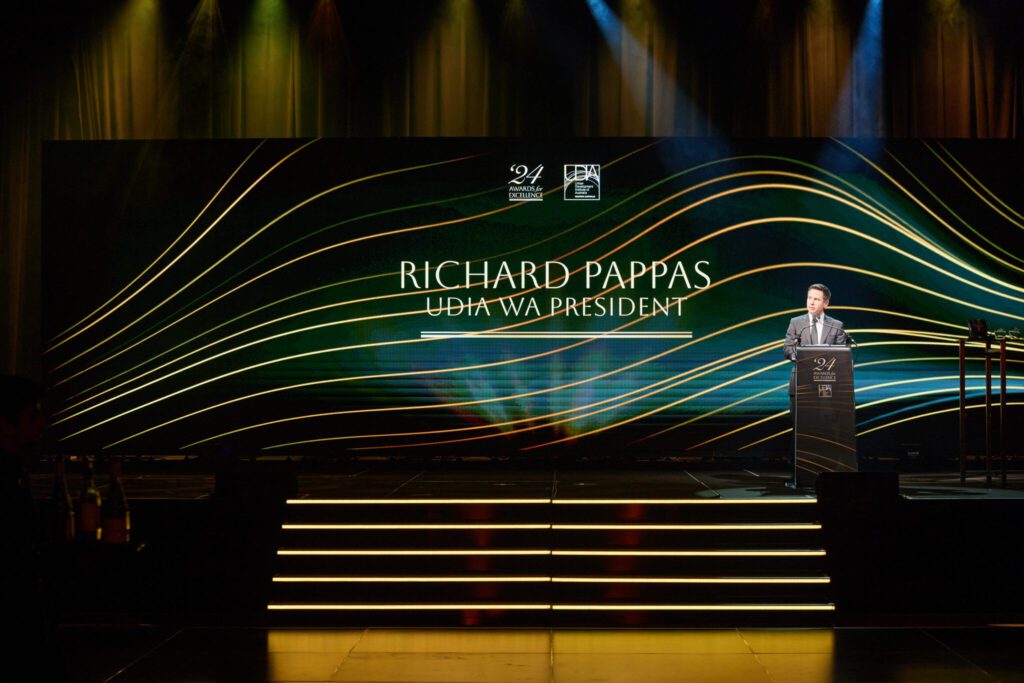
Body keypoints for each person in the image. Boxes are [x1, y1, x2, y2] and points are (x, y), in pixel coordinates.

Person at [0, 374, 67, 681]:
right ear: (5, 424)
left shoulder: (14, 473)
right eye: (32, 415)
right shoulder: (8, 479)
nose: (42, 424)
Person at [783, 284, 849, 476]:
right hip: (801, 385)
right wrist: (801, 356)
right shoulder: (796, 322)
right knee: (800, 431)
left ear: (826, 303)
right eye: (809, 298)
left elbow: (841, 354)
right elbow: (787, 349)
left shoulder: (836, 325)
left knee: (825, 430)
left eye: (816, 299)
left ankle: (825, 471)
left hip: (827, 388)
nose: (811, 302)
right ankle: (799, 473)